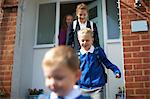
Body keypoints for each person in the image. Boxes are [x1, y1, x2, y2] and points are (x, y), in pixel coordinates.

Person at [77, 28, 121, 99]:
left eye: (87, 40)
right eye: (82, 40)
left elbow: (107, 63)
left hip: (97, 87)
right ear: (79, 41)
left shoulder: (97, 52)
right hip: (83, 88)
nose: (85, 43)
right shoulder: (78, 55)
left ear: (92, 40)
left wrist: (116, 71)